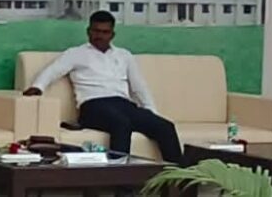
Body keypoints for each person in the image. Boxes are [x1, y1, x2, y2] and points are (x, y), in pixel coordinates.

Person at [23, 10, 182, 162]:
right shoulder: (75, 53)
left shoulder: (124, 55)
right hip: (93, 106)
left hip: (123, 104)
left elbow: (139, 86)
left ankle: (179, 176)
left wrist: (151, 112)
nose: (99, 36)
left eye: (105, 32)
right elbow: (52, 71)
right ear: (88, 31)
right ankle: (119, 177)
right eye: (96, 31)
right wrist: (38, 87)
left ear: (112, 34)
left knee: (165, 126)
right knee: (121, 123)